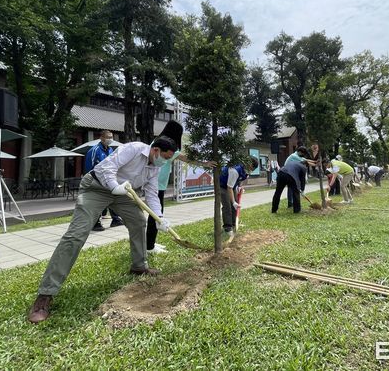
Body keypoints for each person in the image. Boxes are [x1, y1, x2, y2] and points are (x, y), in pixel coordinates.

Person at [27, 136, 177, 323]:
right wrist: (114, 187)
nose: (166, 161)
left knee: (139, 222)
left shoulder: (156, 166)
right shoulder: (134, 149)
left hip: (124, 193)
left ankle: (139, 266)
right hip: (97, 188)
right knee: (76, 235)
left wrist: (160, 218)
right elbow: (108, 167)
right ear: (155, 150)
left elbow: (152, 194)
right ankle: (45, 295)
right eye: (166, 156)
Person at [146, 121, 216, 254]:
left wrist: (204, 163)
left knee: (155, 216)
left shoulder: (160, 144)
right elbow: (187, 159)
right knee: (155, 216)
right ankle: (149, 247)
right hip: (155, 185)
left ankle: (150, 243)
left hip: (157, 184)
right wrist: (205, 163)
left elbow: (185, 158)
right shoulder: (167, 147)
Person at [84, 130, 124, 231]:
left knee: (113, 198)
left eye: (111, 137)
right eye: (108, 137)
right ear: (101, 138)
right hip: (96, 180)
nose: (110, 139)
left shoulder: (111, 150)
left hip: (108, 180)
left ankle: (115, 219)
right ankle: (95, 223)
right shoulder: (94, 150)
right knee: (97, 201)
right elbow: (89, 167)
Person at [219, 157, 258, 240]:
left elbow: (241, 179)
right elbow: (229, 188)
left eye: (253, 169)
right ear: (248, 164)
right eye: (251, 168)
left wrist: (239, 187)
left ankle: (233, 224)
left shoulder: (246, 170)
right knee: (228, 206)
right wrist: (233, 202)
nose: (251, 171)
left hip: (231, 186)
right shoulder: (234, 170)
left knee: (234, 207)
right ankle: (228, 228)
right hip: (222, 186)